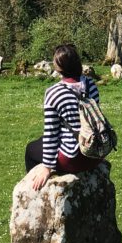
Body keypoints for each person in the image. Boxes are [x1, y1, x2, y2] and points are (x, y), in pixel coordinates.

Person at [24, 43, 103, 190]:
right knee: (40, 141)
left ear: (58, 67)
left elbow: (51, 133)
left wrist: (47, 167)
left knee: (30, 150)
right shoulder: (91, 85)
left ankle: (33, 191)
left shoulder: (54, 92)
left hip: (73, 160)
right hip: (94, 155)